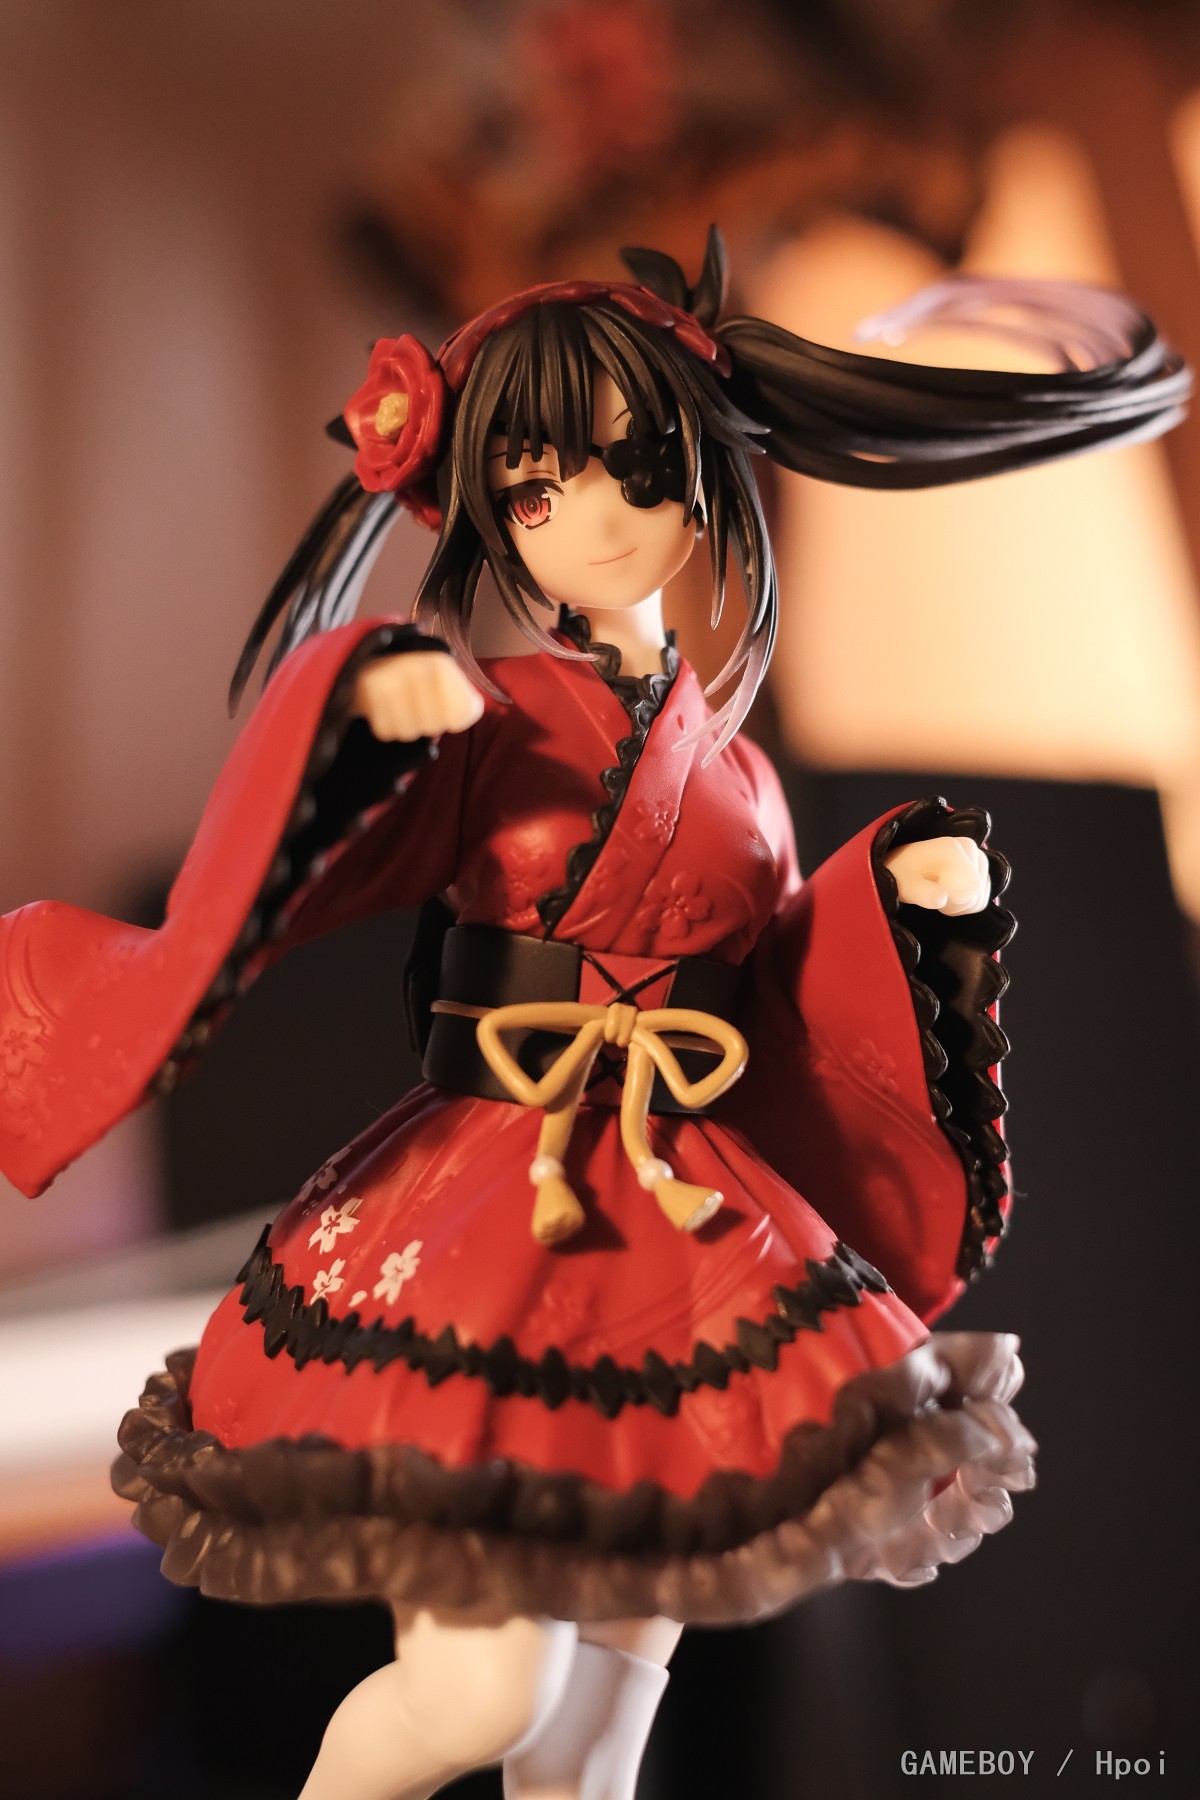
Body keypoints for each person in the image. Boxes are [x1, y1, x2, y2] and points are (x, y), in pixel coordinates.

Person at [0, 230, 1187, 1800]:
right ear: (491, 511)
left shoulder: (741, 772)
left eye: (640, 468)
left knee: (605, 1722)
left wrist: (904, 896)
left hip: (686, 1225)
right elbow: (342, 839)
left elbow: (784, 1002)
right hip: (494, 1210)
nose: (600, 516)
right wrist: (375, 712)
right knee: (477, 1694)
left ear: (705, 480)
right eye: (540, 486)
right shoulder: (493, 724)